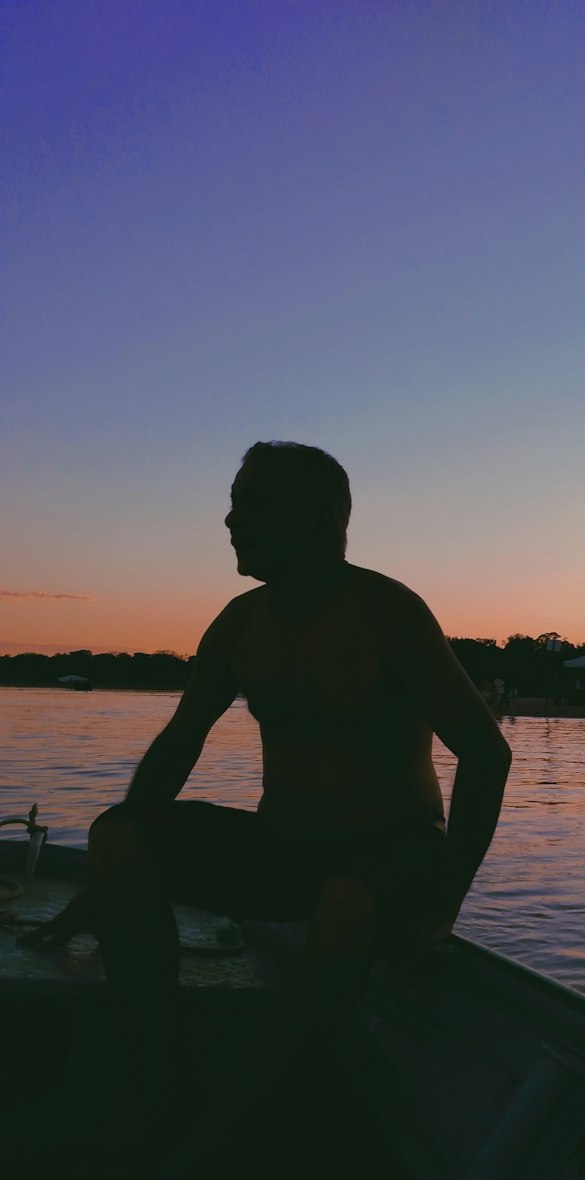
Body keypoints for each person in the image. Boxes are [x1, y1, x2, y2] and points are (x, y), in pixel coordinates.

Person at [21, 440, 512, 1125]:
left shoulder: (388, 612)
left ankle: (230, 1123)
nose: (230, 520)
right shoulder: (240, 623)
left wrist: (444, 904)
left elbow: (487, 755)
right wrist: (109, 886)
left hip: (392, 850)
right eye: (232, 504)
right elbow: (179, 742)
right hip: (285, 847)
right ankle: (155, 1073)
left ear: (318, 518)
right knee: (119, 835)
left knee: (345, 901)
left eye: (251, 503)